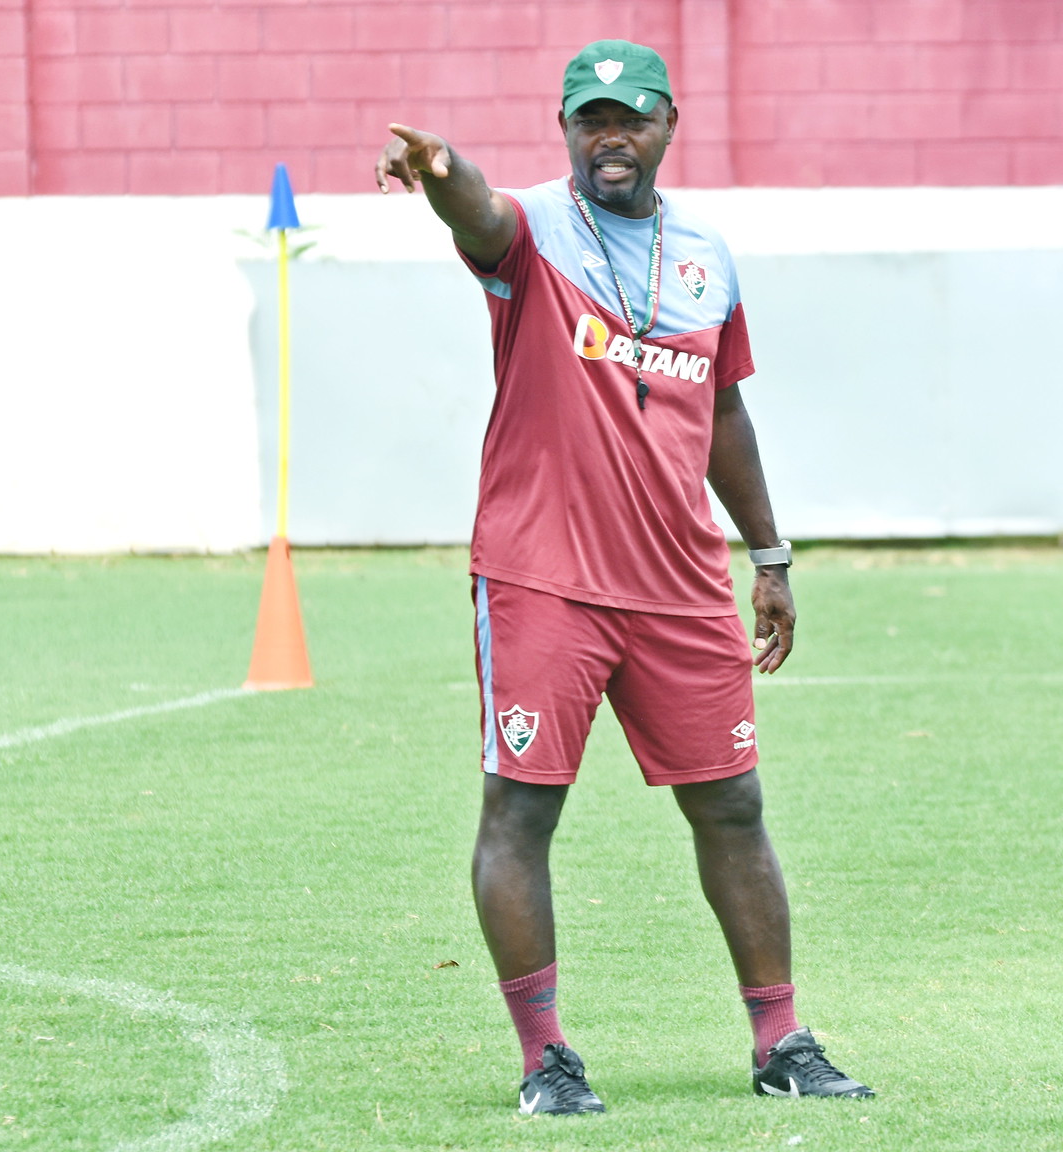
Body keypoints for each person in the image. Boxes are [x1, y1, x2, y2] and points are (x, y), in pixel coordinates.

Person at [374, 38, 872, 1116]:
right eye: (590, 119)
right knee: (521, 809)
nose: (611, 137)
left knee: (733, 807)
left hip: (681, 583)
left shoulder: (705, 253)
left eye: (630, 118)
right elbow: (479, 216)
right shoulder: (534, 234)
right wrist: (441, 169)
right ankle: (544, 1056)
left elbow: (722, 411)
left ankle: (781, 1039)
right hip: (543, 577)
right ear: (565, 131)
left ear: (666, 125)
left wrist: (769, 554)